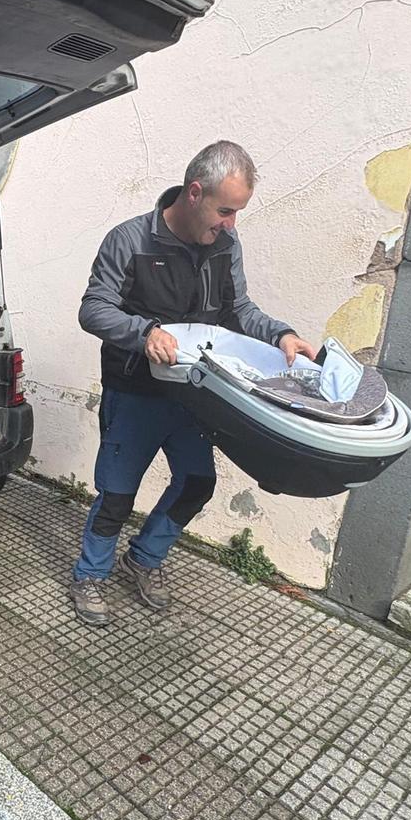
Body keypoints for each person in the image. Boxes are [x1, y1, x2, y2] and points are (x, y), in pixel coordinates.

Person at [70, 140, 317, 626]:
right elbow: (93, 309)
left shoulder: (225, 245)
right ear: (194, 193)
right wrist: (144, 333)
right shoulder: (130, 240)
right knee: (117, 494)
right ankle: (91, 573)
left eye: (238, 213)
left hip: (198, 395)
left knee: (197, 484)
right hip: (135, 393)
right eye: (225, 211)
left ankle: (143, 559)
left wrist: (283, 334)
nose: (231, 224)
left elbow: (239, 310)